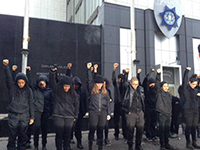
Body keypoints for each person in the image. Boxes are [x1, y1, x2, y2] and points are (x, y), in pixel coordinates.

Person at [3, 59, 34, 150]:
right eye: (19, 82)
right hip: (14, 115)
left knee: (23, 135)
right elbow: (8, 78)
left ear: (25, 82)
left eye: (22, 82)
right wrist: (6, 67)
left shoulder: (29, 91)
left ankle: (21, 148)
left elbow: (31, 103)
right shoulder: (12, 88)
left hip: (24, 115)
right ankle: (11, 148)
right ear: (16, 82)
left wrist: (32, 117)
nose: (21, 84)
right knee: (12, 135)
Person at [49, 66, 79, 150]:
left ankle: (66, 148)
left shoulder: (73, 94)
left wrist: (75, 116)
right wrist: (52, 73)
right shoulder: (57, 91)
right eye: (65, 86)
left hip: (69, 116)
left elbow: (77, 105)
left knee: (67, 135)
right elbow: (52, 83)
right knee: (59, 134)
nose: (66, 88)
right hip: (58, 115)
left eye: (68, 86)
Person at [26, 66, 54, 150]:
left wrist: (51, 112)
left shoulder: (49, 91)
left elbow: (52, 102)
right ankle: (36, 145)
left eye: (43, 83)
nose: (41, 85)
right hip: (37, 111)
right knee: (36, 129)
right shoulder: (35, 89)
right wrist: (29, 72)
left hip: (46, 112)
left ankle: (44, 145)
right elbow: (29, 83)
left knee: (44, 129)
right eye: (40, 83)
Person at [86, 62, 111, 150]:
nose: (99, 85)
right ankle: (90, 147)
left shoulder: (105, 92)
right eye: (98, 83)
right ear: (95, 83)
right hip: (93, 112)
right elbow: (89, 80)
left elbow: (108, 102)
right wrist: (89, 70)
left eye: (101, 84)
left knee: (100, 130)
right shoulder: (92, 90)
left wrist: (108, 113)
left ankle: (100, 147)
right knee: (92, 129)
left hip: (103, 113)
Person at [66, 63, 87, 149]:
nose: (75, 86)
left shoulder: (82, 91)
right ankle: (68, 142)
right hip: (70, 111)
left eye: (76, 84)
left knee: (78, 129)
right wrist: (68, 70)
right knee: (69, 128)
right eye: (74, 84)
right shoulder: (69, 91)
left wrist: (84, 111)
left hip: (79, 112)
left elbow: (84, 101)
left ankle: (79, 142)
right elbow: (66, 79)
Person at [122, 76, 145, 150]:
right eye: (134, 84)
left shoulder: (140, 89)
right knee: (130, 130)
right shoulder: (128, 89)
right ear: (131, 83)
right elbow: (124, 83)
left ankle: (138, 145)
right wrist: (126, 73)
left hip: (140, 111)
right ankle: (130, 146)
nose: (135, 86)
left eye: (137, 84)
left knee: (140, 130)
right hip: (131, 112)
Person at [181, 67, 200, 149]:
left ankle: (194, 142)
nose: (194, 86)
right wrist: (186, 71)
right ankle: (188, 143)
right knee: (188, 127)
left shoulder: (196, 91)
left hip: (195, 110)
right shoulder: (186, 89)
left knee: (194, 126)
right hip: (187, 110)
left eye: (195, 84)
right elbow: (184, 81)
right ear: (189, 83)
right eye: (193, 84)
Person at [138, 68, 158, 142]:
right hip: (148, 107)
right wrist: (150, 72)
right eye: (151, 84)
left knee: (154, 122)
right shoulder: (146, 90)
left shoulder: (155, 90)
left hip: (154, 107)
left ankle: (153, 135)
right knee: (148, 122)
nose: (152, 85)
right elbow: (145, 81)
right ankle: (149, 135)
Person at [155, 68, 174, 150]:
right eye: (164, 86)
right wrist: (158, 74)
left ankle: (167, 144)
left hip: (168, 115)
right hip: (162, 114)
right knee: (162, 131)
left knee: (167, 131)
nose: (166, 88)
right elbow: (157, 84)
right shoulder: (159, 93)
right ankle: (162, 145)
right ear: (162, 87)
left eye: (167, 86)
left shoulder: (169, 95)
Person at [112, 63, 129, 141]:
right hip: (117, 104)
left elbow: (125, 81)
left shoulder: (124, 85)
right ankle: (116, 134)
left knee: (124, 121)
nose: (119, 80)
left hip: (123, 105)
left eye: (120, 78)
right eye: (119, 78)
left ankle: (125, 135)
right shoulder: (116, 85)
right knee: (116, 120)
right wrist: (114, 69)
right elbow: (113, 78)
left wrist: (126, 73)